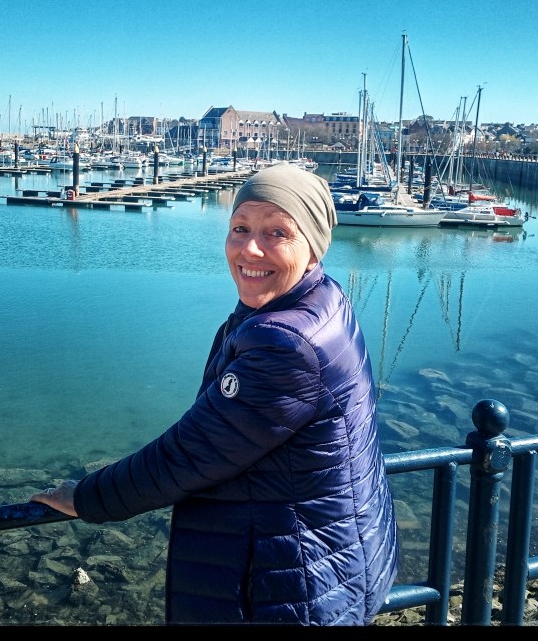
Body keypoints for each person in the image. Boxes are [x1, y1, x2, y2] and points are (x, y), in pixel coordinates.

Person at [31, 162, 399, 625]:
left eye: (278, 233)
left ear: (313, 247)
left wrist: (87, 497)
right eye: (240, 228)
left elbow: (192, 452)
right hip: (331, 552)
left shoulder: (287, 344)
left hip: (286, 585)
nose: (250, 248)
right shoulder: (321, 298)